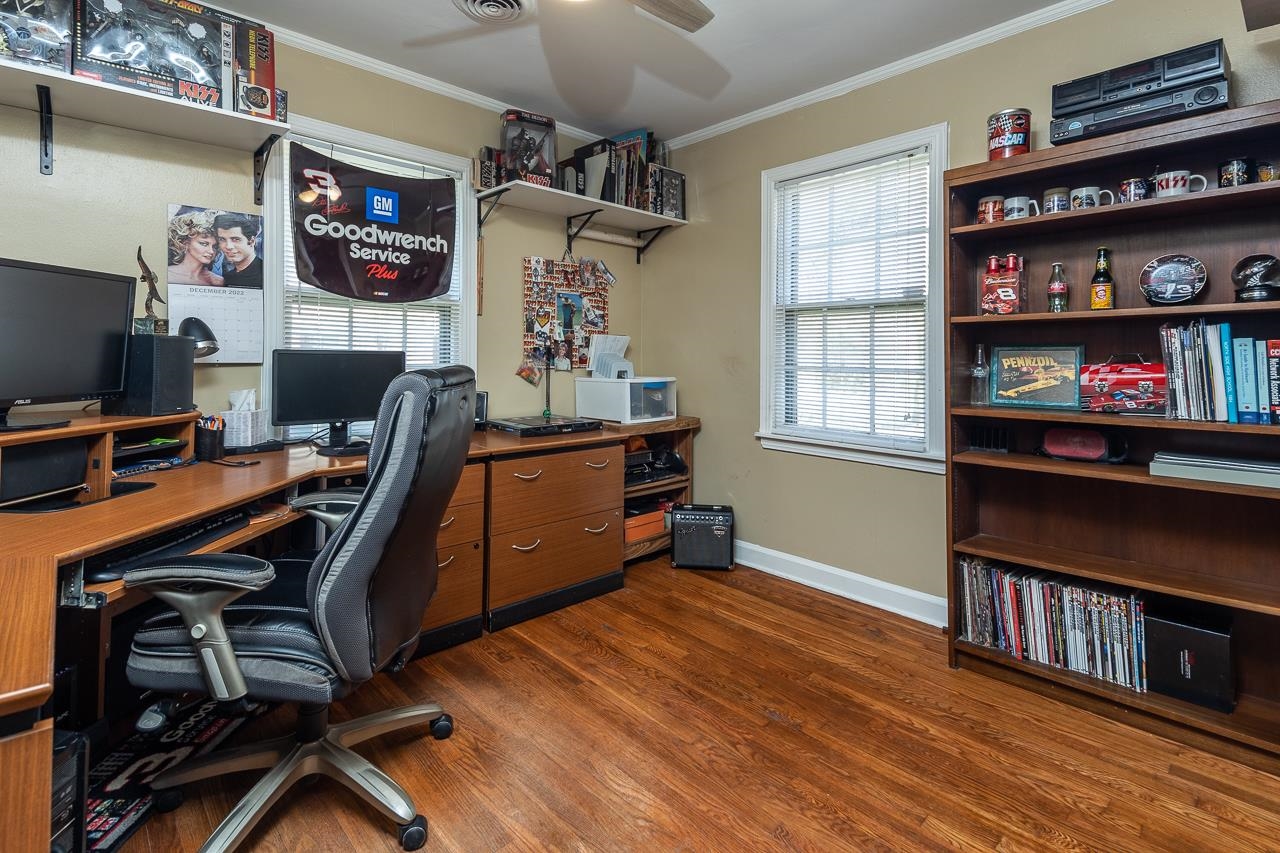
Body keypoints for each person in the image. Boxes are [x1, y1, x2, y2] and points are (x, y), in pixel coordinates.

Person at [166, 210, 224, 286]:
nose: (211, 251)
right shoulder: (168, 275)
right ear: (185, 243)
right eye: (204, 243)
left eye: (215, 246)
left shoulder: (217, 281)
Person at [213, 212, 263, 288]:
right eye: (222, 239)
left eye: (236, 239)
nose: (228, 246)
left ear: (252, 241)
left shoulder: (265, 274)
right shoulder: (227, 277)